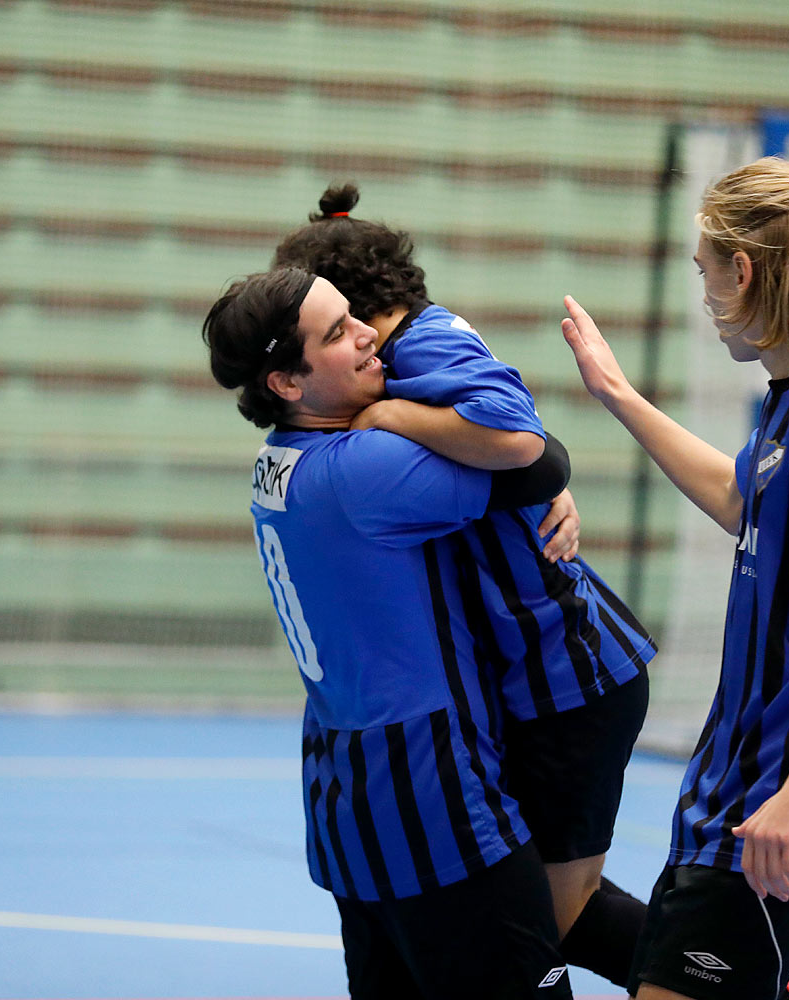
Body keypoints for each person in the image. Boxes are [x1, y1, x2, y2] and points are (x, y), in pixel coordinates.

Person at [559, 158, 789, 1000]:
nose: (703, 296)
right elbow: (742, 497)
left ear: (746, 271)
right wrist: (618, 393)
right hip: (737, 784)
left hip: (786, 800)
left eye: (704, 272)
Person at [271, 185, 655, 988]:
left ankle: (753, 983)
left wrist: (396, 421)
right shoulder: (398, 361)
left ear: (364, 312)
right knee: (535, 907)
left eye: (341, 323)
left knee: (559, 913)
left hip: (564, 667)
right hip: (516, 673)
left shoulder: (424, 345)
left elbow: (524, 444)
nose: (346, 342)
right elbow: (524, 459)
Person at [204, 267, 578, 998]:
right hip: (430, 794)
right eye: (338, 332)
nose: (371, 334)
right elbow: (538, 458)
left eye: (354, 317)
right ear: (286, 381)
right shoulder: (361, 470)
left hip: (347, 792)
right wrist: (406, 412)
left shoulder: (278, 463)